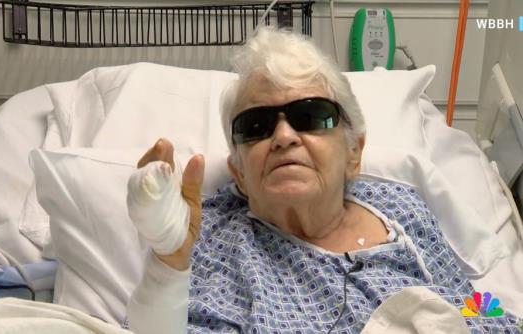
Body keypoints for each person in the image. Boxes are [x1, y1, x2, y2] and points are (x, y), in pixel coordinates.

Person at [126, 27, 521, 333]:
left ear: (353, 151)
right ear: (239, 173)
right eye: (257, 125)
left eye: (310, 115)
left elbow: (471, 303)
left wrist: (493, 318)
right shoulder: (213, 245)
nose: (283, 137)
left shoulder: (402, 209)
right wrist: (167, 264)